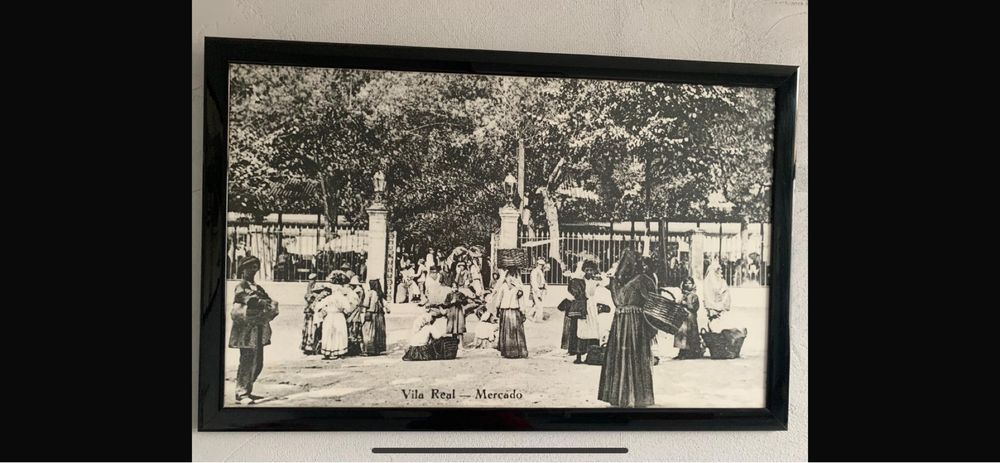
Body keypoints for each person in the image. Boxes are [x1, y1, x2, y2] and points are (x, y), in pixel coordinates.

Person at [598, 249, 657, 408]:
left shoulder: (615, 281)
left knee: (621, 356)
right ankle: (638, 397)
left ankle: (620, 396)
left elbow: (617, 300)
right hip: (636, 322)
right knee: (637, 356)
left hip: (621, 322)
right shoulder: (645, 280)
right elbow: (654, 302)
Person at [229, 256, 279, 403]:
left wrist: (264, 302)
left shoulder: (257, 287)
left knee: (258, 361)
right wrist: (262, 302)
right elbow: (247, 299)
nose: (253, 270)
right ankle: (241, 393)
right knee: (247, 359)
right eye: (250, 267)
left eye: (255, 267)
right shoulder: (241, 285)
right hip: (245, 328)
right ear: (243, 270)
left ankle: (248, 390)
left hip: (258, 327)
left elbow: (268, 300)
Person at [315, 271, 359, 360]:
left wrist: (324, 310)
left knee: (328, 333)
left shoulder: (329, 298)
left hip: (329, 316)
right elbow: (349, 309)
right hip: (339, 316)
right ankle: (338, 351)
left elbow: (318, 306)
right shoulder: (343, 298)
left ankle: (327, 352)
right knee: (339, 333)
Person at [495, 266, 528, 359]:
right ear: (506, 277)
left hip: (514, 310)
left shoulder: (517, 287)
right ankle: (508, 351)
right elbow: (499, 298)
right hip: (506, 310)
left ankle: (515, 351)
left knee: (514, 331)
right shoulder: (503, 287)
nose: (510, 278)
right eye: (508, 276)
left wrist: (523, 311)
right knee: (510, 331)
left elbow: (521, 299)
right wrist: (497, 308)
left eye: (512, 276)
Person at [673, 277, 704, 359]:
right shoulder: (683, 295)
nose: (687, 285)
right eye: (686, 283)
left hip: (690, 318)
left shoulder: (694, 296)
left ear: (693, 285)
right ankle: (682, 352)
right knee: (682, 334)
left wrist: (684, 303)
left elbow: (694, 308)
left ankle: (691, 353)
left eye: (689, 283)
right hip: (683, 317)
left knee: (690, 335)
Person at [361, 279, 389, 355]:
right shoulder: (380, 294)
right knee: (379, 331)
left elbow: (366, 304)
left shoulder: (369, 293)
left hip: (371, 314)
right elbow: (385, 304)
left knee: (370, 332)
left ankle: (370, 350)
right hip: (380, 315)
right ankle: (378, 349)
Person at [300, 273, 324, 355]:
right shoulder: (312, 290)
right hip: (311, 312)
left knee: (310, 329)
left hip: (310, 312)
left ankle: (309, 345)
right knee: (311, 329)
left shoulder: (310, 288)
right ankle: (310, 345)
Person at [346, 276, 367, 355]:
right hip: (356, 311)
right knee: (356, 329)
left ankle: (355, 349)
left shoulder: (356, 292)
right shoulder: (358, 291)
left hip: (354, 311)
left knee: (354, 329)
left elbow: (354, 304)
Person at [528, 258, 548, 323]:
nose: (541, 266)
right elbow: (534, 282)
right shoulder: (534, 271)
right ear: (537, 264)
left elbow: (543, 281)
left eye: (542, 265)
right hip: (537, 290)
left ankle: (529, 315)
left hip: (541, 289)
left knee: (537, 304)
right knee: (539, 304)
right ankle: (538, 319)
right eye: (540, 265)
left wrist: (545, 288)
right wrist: (537, 292)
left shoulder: (541, 272)